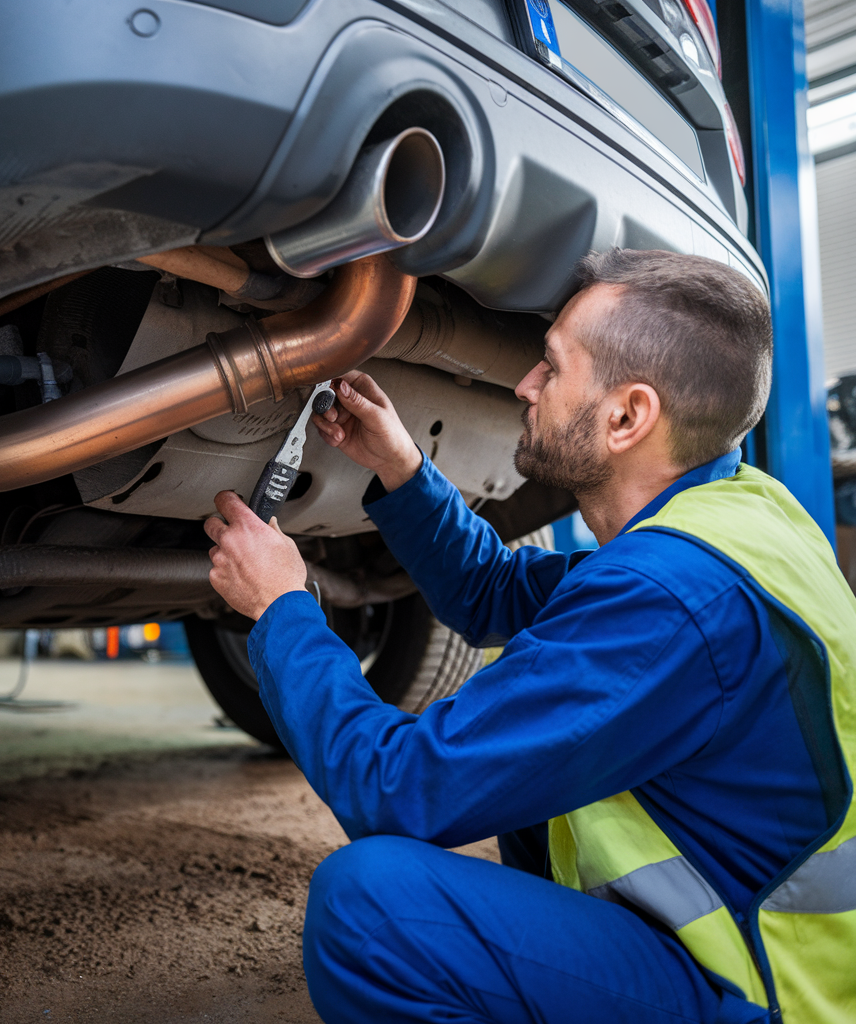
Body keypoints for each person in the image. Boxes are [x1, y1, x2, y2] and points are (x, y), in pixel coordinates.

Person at [203, 249, 856, 1024]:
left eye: (552, 367)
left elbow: (397, 791)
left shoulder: (671, 598)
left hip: (754, 995)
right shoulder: (737, 516)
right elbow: (497, 593)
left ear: (627, 417)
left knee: (371, 909)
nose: (525, 385)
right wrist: (403, 469)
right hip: (744, 946)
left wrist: (282, 609)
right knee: (511, 773)